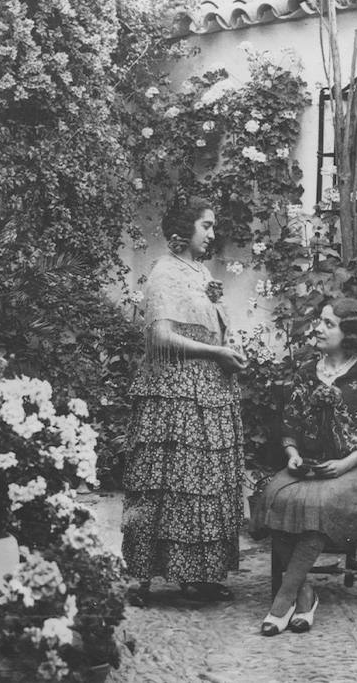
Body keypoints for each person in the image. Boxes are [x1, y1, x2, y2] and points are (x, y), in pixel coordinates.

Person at [122, 195, 249, 604]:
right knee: (171, 482)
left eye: (213, 226)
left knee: (205, 484)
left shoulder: (199, 271)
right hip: (176, 393)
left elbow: (206, 325)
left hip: (210, 390)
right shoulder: (165, 272)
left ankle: (200, 574)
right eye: (205, 226)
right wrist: (216, 353)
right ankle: (149, 576)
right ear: (183, 230)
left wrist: (225, 348)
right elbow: (160, 337)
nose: (212, 234)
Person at [257, 297, 357, 635]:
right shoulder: (305, 372)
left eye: (328, 324)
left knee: (319, 503)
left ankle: (283, 599)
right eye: (320, 321)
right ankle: (304, 595)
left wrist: (343, 465)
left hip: (353, 468)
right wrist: (292, 454)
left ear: (350, 333)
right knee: (274, 496)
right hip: (308, 465)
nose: (318, 328)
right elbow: (290, 424)